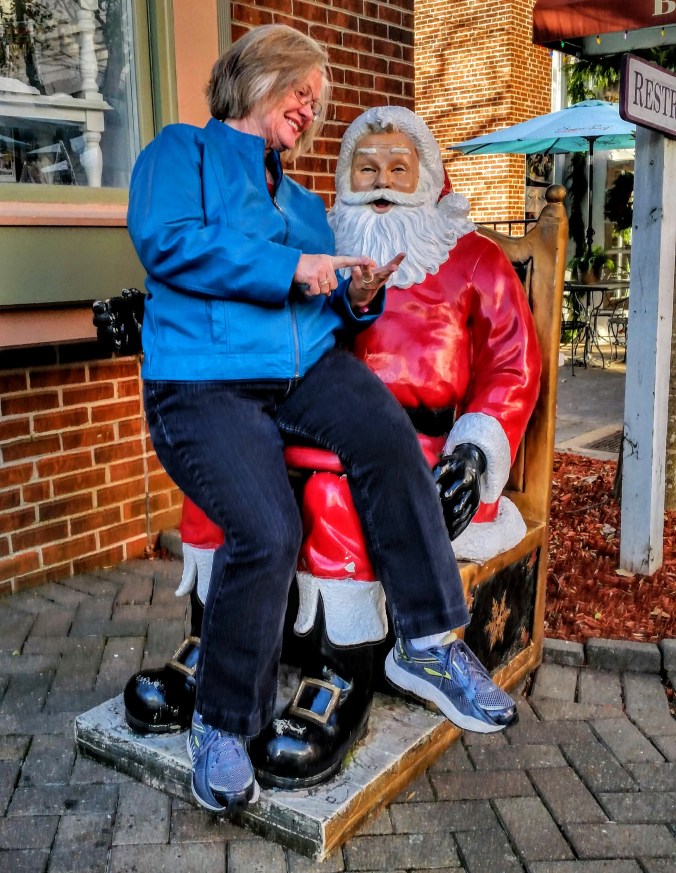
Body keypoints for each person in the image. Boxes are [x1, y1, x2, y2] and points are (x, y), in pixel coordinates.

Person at [125, 26, 516, 814]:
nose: (309, 108)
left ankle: (430, 644)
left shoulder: (303, 203)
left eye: (316, 100)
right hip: (204, 383)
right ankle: (225, 724)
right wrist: (292, 267)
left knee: (385, 438)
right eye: (300, 92)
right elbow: (167, 242)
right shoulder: (179, 155)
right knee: (267, 531)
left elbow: (325, 294)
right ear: (254, 79)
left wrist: (356, 293)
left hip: (304, 370)